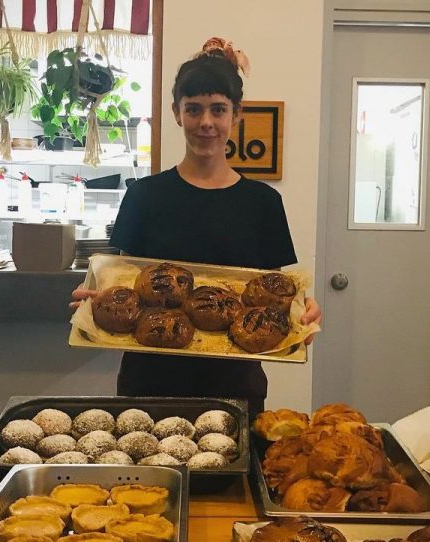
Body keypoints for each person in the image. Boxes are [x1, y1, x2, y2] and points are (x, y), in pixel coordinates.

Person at [72, 37, 322, 417]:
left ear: (237, 115)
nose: (206, 123)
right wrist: (92, 300)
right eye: (194, 109)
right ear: (176, 113)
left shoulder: (263, 203)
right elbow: (119, 282)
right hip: (150, 385)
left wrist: (303, 316)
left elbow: (276, 297)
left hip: (235, 388)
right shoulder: (144, 196)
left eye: (218, 110)